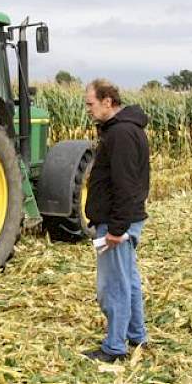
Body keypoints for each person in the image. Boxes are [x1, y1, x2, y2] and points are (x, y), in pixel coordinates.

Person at [81, 79, 150, 363]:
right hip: (122, 219)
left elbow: (125, 185)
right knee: (129, 280)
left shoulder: (120, 134)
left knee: (114, 287)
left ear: (108, 101)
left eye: (91, 103)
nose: (88, 109)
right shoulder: (124, 130)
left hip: (116, 222)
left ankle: (114, 348)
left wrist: (117, 229)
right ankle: (137, 335)